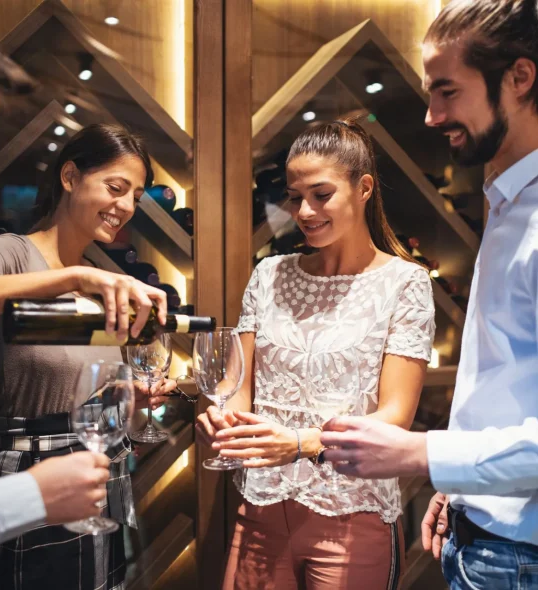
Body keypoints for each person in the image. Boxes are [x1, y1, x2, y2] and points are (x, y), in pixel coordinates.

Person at [322, 0, 538, 587]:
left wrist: (424, 455)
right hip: (485, 537)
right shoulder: (508, 199)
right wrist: (464, 482)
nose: (430, 116)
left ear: (520, 78)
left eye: (447, 92)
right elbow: (511, 380)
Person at [196, 119, 436, 589]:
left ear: (364, 188)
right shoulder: (269, 274)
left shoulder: (405, 283)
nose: (304, 211)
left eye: (321, 195)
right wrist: (220, 418)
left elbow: (395, 417)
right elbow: (236, 386)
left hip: (353, 517)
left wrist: (304, 443)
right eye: (294, 196)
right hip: (260, 511)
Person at [0, 2, 137, 588]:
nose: (127, 205)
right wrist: (70, 281)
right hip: (36, 466)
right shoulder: (14, 252)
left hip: (102, 467)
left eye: (138, 194)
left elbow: (92, 375)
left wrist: (134, 386)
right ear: (69, 176)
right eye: (117, 186)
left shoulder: (102, 272)